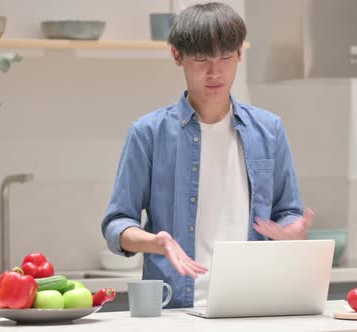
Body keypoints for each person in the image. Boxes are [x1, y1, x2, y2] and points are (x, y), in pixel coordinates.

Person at [101, 2, 313, 309]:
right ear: (177, 56)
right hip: (175, 306)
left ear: (240, 53)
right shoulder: (149, 133)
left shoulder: (269, 130)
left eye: (226, 58)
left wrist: (292, 232)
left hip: (256, 304)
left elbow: (288, 213)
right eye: (201, 60)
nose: (215, 72)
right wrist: (156, 242)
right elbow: (117, 224)